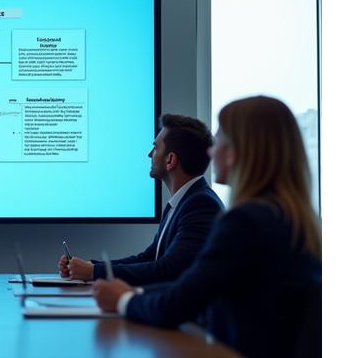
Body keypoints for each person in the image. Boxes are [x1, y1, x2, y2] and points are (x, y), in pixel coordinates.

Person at [95, 96, 322, 358]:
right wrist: (130, 292)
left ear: (237, 152)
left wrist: (124, 300)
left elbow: (181, 301)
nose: (211, 153)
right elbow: (196, 287)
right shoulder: (295, 221)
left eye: (219, 142)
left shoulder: (244, 223)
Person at [59, 114, 224, 285]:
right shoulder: (183, 202)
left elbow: (169, 270)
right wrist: (90, 267)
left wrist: (94, 272)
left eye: (155, 147)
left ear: (170, 160)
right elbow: (150, 257)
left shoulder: (201, 205)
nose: (150, 154)